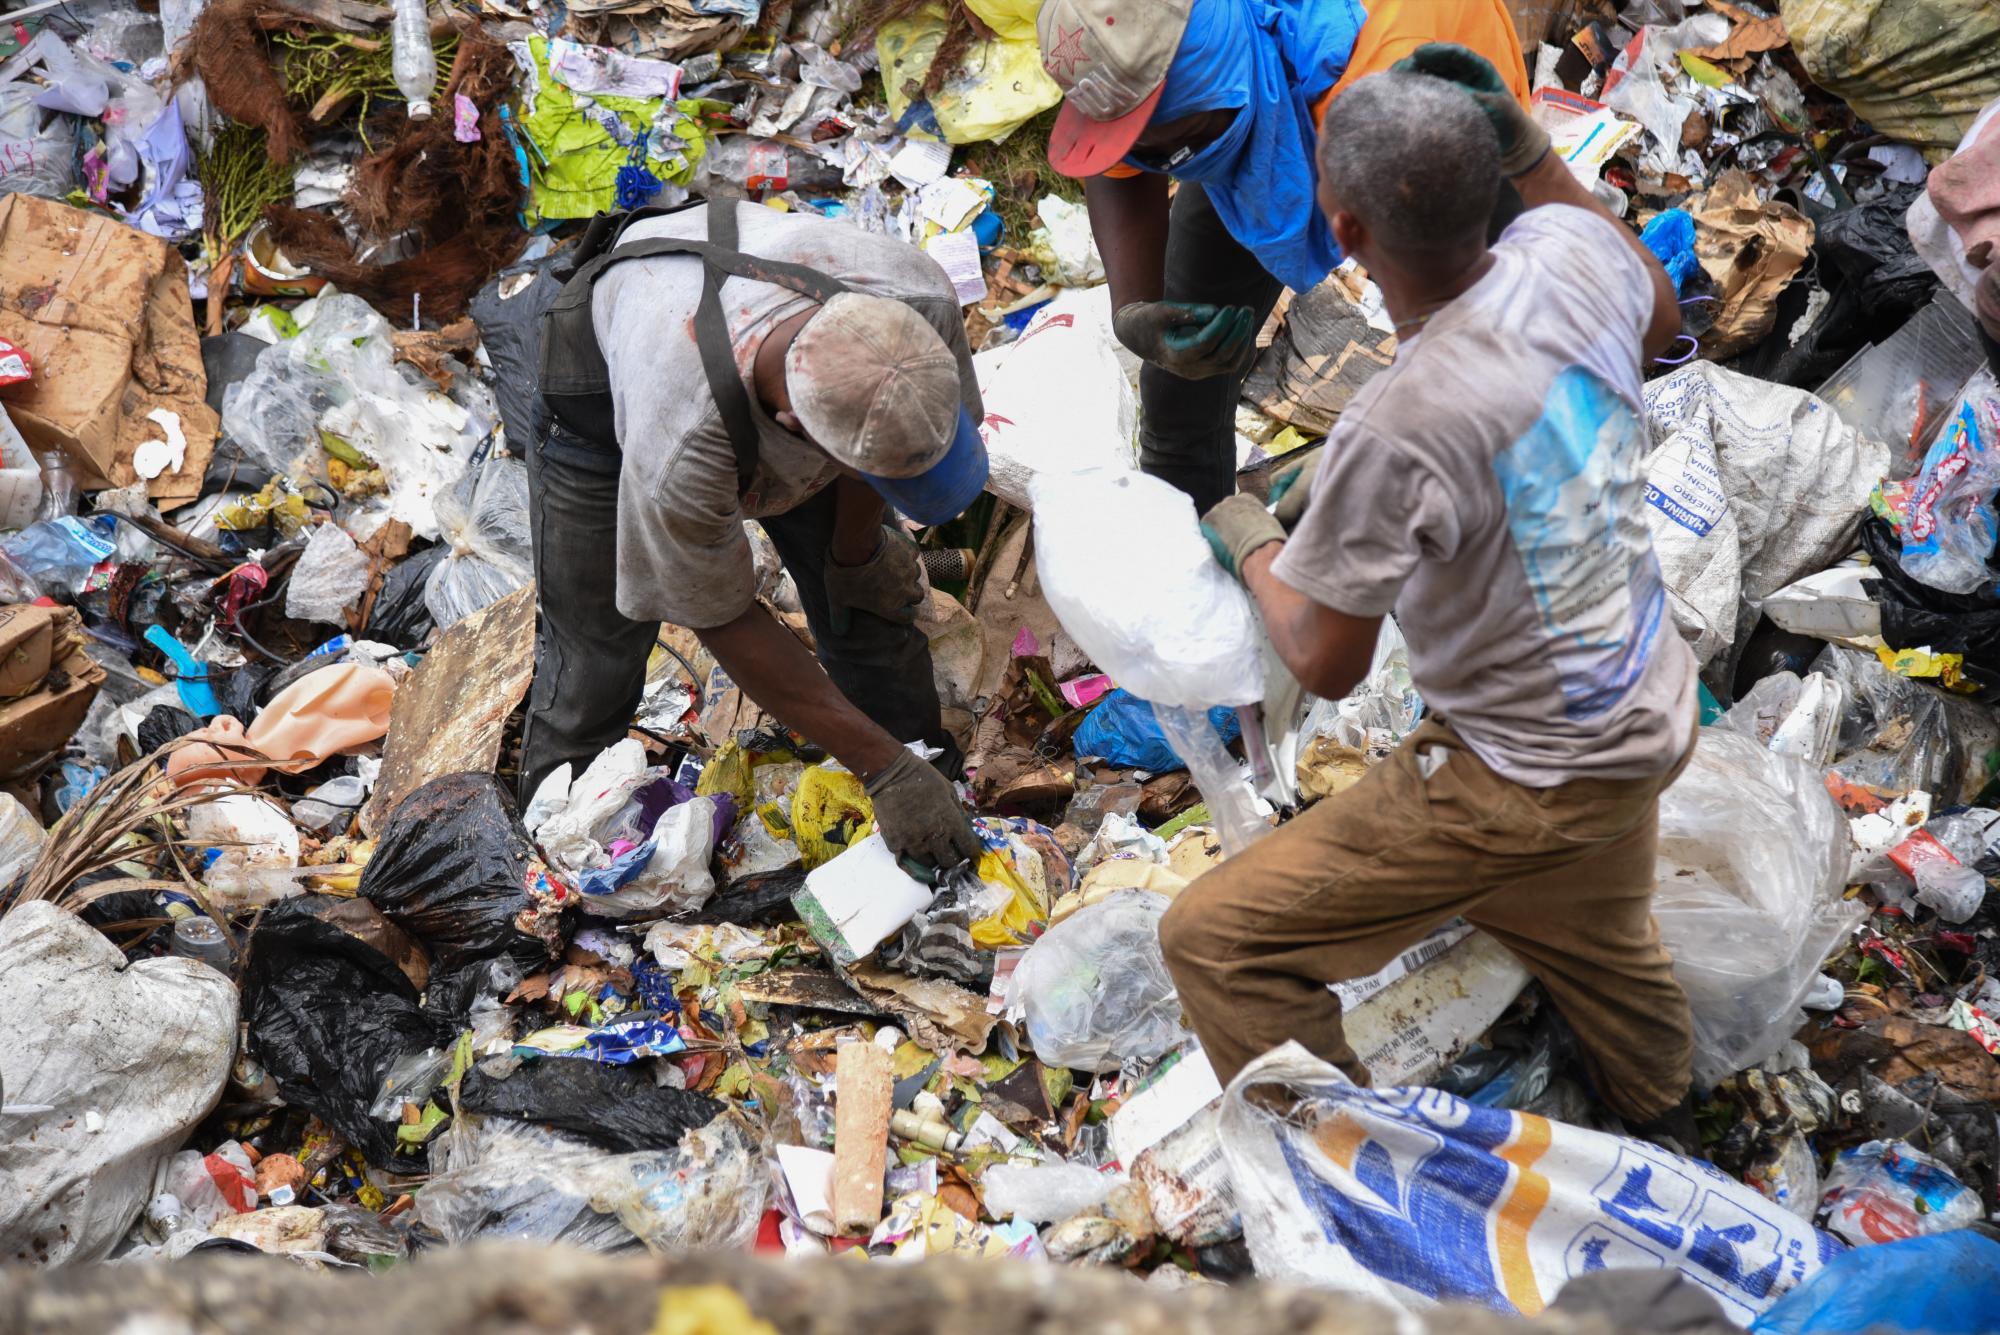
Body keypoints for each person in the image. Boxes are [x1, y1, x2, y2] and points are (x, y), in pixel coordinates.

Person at [1168, 53, 1703, 1146]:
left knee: (1215, 940)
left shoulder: (1395, 424)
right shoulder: (1562, 252)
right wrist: (1537, 154)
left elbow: (1325, 663)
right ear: (1490, 181)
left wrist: (1249, 534)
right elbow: (1654, 316)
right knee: (1587, 928)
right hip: (1638, 706)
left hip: (1517, 770)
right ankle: (1678, 1118)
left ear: (1344, 231)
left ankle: (1350, 1172)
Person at [522, 200, 987, 872]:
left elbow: (886, 461)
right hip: (603, 395)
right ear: (794, 426)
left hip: (757, 339)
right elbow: (722, 615)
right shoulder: (681, 440)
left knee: (867, 601)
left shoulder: (915, 304)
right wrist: (882, 769)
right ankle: (547, 870)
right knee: (597, 656)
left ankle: (935, 793)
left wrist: (853, 555)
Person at [1036, 0, 1529, 512]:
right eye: (1146, 151)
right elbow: (1120, 155)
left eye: (1178, 150)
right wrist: (1133, 309)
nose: (1162, 168)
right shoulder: (1148, 31)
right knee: (1179, 386)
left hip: (1436, 150)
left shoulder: (1398, 94)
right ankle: (1188, 559)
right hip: (1263, 91)